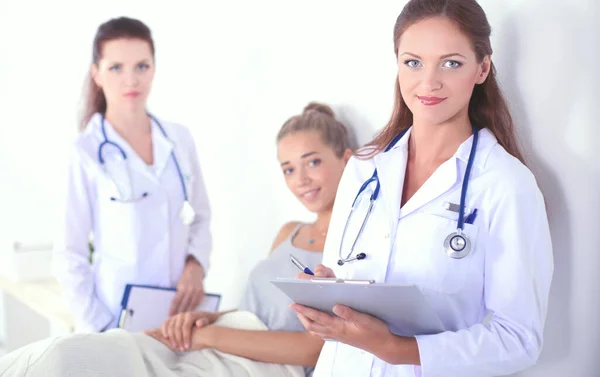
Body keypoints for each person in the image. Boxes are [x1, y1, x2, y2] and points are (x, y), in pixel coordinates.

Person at [289, 1, 554, 377]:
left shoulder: (506, 185)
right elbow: (341, 276)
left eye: (451, 63)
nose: (428, 82)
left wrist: (398, 350)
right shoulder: (364, 168)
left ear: (482, 68)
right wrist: (326, 296)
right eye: (413, 62)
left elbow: (519, 339)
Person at [144, 102, 353, 376]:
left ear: (348, 160)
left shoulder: (353, 247)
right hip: (225, 354)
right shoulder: (289, 232)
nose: (301, 180)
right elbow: (261, 316)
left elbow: (318, 347)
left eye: (313, 162)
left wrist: (210, 335)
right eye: (289, 169)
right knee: (118, 349)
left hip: (268, 369)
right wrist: (210, 318)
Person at [52, 17, 211, 333]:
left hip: (178, 313)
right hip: (113, 316)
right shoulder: (85, 150)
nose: (131, 80)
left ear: (154, 69)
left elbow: (202, 216)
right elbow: (69, 253)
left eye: (142, 66)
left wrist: (196, 265)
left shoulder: (178, 139)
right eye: (116, 68)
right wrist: (101, 327)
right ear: (96, 73)